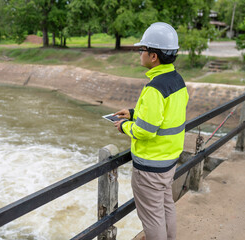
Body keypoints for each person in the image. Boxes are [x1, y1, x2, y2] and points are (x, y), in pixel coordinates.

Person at [113, 22, 189, 240]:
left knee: (152, 217)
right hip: (168, 161)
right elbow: (164, 117)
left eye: (142, 49)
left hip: (150, 167)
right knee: (166, 207)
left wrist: (124, 126)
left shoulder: (154, 88)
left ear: (153, 56)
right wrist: (132, 113)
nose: (140, 53)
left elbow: (146, 131)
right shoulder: (177, 80)